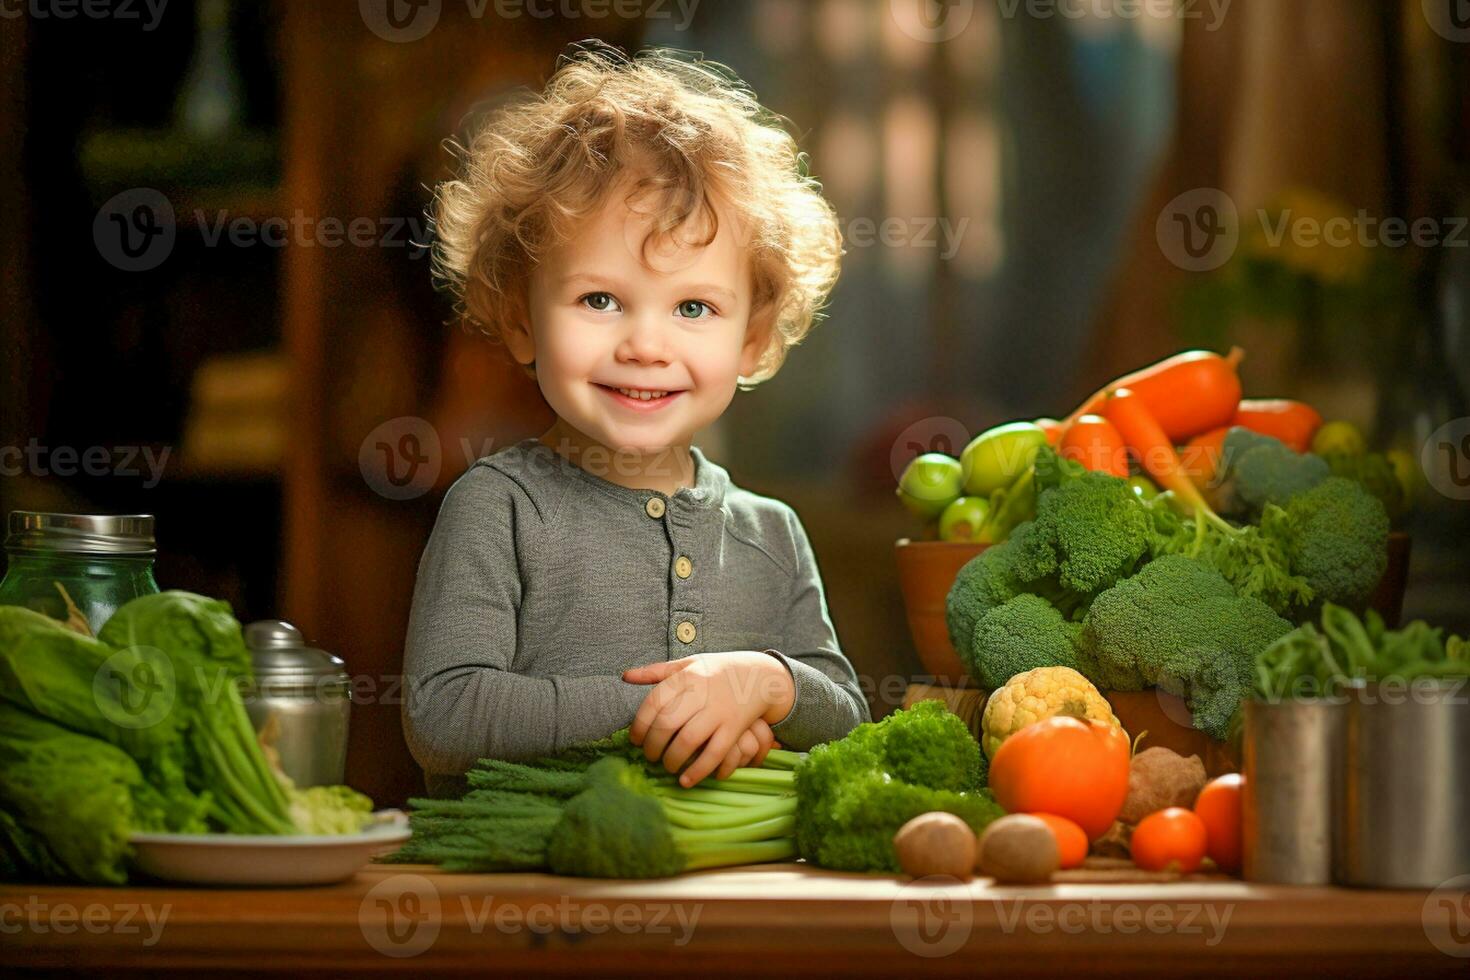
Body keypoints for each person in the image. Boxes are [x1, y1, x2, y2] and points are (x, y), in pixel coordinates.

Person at [403, 42, 869, 799]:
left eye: (693, 308)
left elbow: (845, 714)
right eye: (600, 300)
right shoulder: (498, 508)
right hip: (527, 902)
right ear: (520, 322)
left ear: (751, 339)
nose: (646, 346)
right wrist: (668, 707)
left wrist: (765, 683)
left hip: (729, 897)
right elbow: (444, 716)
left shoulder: (771, 532)